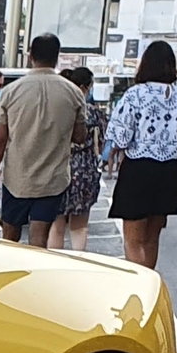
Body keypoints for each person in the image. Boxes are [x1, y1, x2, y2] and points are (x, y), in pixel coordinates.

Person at [0, 35, 87, 247]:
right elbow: (80, 137)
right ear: (57, 58)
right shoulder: (74, 93)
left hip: (17, 178)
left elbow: (0, 140)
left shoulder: (10, 92)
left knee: (10, 236)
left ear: (30, 56)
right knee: (39, 237)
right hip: (53, 178)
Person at [105, 41, 177, 269]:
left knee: (133, 240)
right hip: (171, 171)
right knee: (152, 239)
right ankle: (149, 285)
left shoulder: (134, 95)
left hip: (139, 168)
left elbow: (121, 137)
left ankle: (138, 288)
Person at [53, 66, 105, 250]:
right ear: (84, 87)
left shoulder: (57, 108)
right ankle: (78, 263)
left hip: (58, 168)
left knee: (56, 225)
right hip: (85, 170)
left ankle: (55, 267)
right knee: (80, 226)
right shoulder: (94, 112)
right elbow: (102, 143)